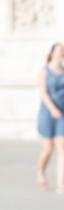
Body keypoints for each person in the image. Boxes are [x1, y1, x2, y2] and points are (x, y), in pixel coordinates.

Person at [37, 42, 64, 192]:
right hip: (48, 112)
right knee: (48, 149)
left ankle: (61, 184)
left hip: (62, 113)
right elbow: (44, 93)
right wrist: (53, 109)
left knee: (62, 148)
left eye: (63, 51)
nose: (61, 53)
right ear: (52, 53)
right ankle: (41, 171)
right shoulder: (44, 71)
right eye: (59, 50)